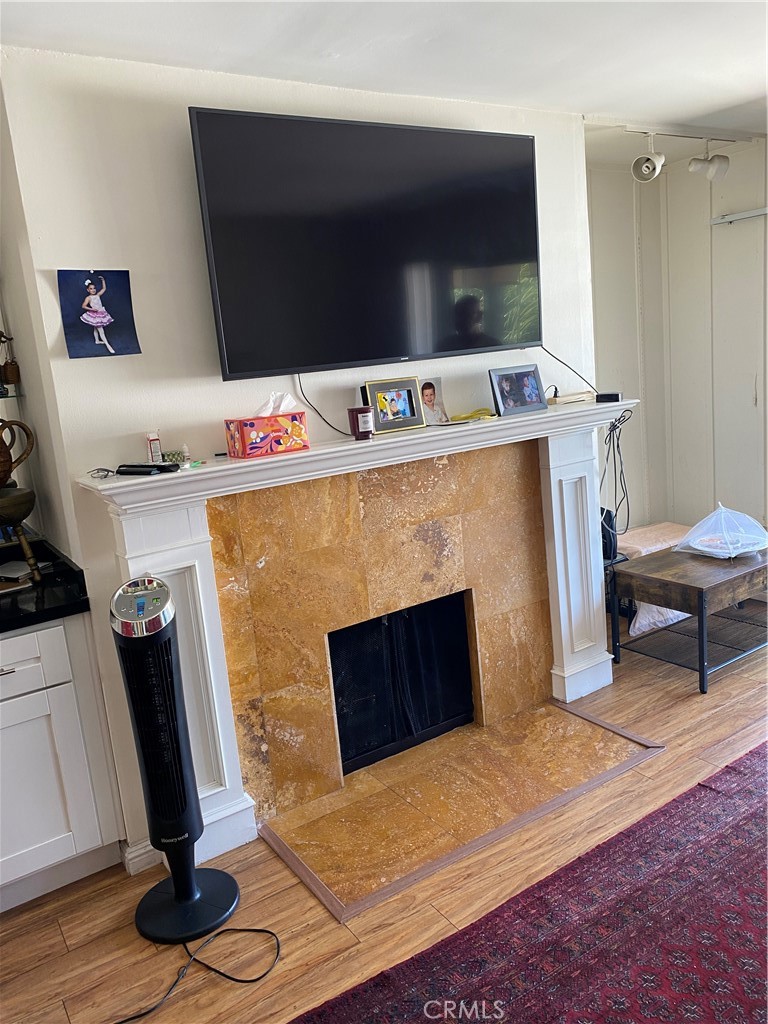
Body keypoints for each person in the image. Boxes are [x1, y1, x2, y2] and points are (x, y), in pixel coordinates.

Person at [80, 276, 115, 354]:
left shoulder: (98, 295)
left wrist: (103, 280)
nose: (93, 290)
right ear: (88, 290)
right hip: (95, 315)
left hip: (101, 313)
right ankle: (108, 345)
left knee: (96, 328)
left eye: (94, 288)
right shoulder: (88, 298)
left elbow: (104, 288)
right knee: (101, 331)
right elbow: (83, 306)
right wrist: (92, 309)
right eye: (91, 289)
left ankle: (97, 340)